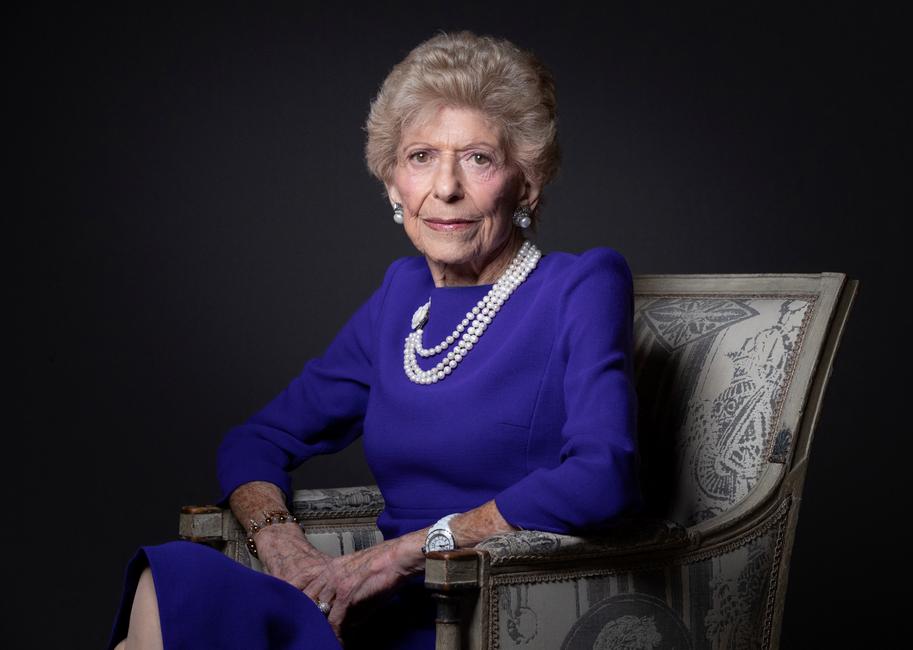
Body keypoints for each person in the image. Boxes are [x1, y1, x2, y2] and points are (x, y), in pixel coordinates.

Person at [109, 30, 641, 650]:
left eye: (478, 158)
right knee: (168, 582)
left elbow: (605, 474)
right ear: (393, 184)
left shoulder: (581, 284)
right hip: (354, 612)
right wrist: (281, 545)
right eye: (420, 157)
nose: (445, 188)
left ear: (527, 183)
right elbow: (255, 441)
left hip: (478, 614)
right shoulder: (401, 295)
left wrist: (406, 554)